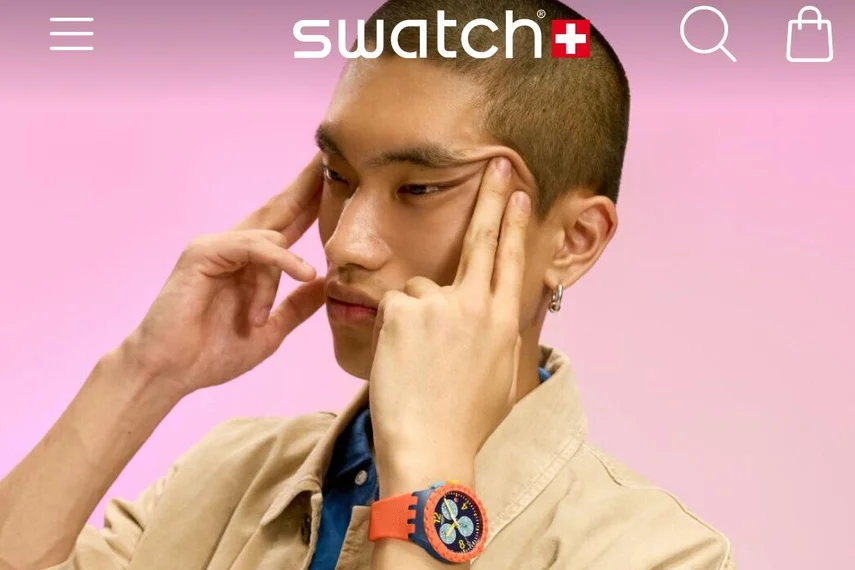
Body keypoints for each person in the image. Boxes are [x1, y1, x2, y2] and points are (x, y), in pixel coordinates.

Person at [0, 0, 735, 569]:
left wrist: (428, 483)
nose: (344, 242)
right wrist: (144, 372)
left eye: (418, 188)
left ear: (574, 241)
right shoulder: (226, 473)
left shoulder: (655, 554)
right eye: (337, 176)